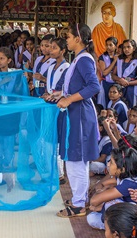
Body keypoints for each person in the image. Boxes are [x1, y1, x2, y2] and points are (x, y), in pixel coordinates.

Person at [56, 23, 100, 218]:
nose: (66, 39)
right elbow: (75, 87)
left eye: (68, 36)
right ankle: (78, 198)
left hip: (80, 114)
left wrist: (68, 100)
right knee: (73, 158)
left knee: (76, 160)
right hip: (75, 113)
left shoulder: (83, 60)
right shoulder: (78, 59)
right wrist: (58, 94)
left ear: (78, 39)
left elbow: (93, 86)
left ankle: (79, 205)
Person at [87, 148, 137, 229]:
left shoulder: (129, 183)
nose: (108, 164)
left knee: (92, 219)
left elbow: (94, 201)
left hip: (133, 219)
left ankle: (118, 229)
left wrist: (101, 200)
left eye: (111, 163)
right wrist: (104, 190)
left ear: (122, 169)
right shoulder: (124, 176)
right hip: (126, 211)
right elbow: (102, 184)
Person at [112, 39, 137, 107]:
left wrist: (127, 83)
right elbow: (113, 75)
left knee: (130, 108)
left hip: (130, 89)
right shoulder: (120, 60)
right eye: (124, 47)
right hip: (119, 87)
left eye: (128, 47)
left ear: (134, 48)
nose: (126, 49)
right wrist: (120, 80)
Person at [98, 36, 119, 106]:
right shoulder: (102, 57)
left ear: (116, 46)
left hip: (117, 83)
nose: (108, 47)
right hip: (106, 83)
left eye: (110, 45)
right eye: (107, 45)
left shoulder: (119, 57)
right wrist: (114, 61)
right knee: (105, 103)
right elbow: (105, 72)